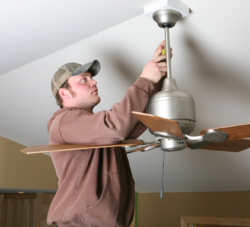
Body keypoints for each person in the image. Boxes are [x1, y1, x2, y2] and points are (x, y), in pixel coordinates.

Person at [47, 41, 171, 227]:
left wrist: (156, 78)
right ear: (64, 93)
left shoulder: (93, 126)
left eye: (91, 78)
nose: (93, 82)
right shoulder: (64, 122)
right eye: (84, 79)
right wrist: (144, 80)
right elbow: (116, 126)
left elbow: (135, 122)